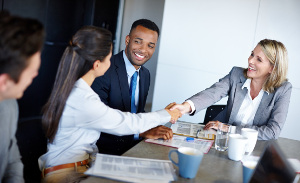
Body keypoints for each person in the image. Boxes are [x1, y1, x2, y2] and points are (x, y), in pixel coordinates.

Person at [38, 26, 181, 183]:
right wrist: (166, 114)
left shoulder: (76, 88)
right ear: (97, 64)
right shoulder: (84, 100)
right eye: (109, 57)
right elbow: (123, 122)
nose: (112, 61)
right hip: (67, 174)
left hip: (82, 165)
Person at [170, 39, 291, 140]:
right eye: (252, 54)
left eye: (259, 59)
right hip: (221, 140)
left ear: (272, 69)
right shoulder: (236, 74)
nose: (250, 60)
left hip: (254, 147)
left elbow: (273, 131)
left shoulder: (283, 89)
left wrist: (230, 129)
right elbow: (213, 93)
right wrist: (187, 106)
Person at [91, 19, 173, 155]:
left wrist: (155, 125)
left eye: (150, 46)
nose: (143, 50)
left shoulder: (145, 74)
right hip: (103, 152)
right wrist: (140, 132)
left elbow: (136, 112)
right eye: (138, 41)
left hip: (133, 148)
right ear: (127, 40)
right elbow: (100, 120)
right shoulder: (104, 69)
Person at [0, 11, 45, 182]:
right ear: (4, 82)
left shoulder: (9, 103)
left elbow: (12, 160)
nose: (35, 74)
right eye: (31, 72)